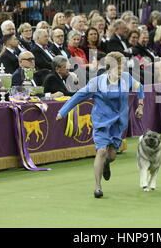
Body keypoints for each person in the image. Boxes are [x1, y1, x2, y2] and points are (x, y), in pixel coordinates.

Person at [56, 51, 144, 198]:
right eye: (119, 66)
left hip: (118, 122)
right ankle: (97, 187)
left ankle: (106, 164)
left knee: (111, 156)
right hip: (102, 121)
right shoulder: (97, 82)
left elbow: (140, 88)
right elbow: (79, 96)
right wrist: (62, 112)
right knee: (101, 151)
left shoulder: (127, 79)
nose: (122, 69)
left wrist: (140, 106)